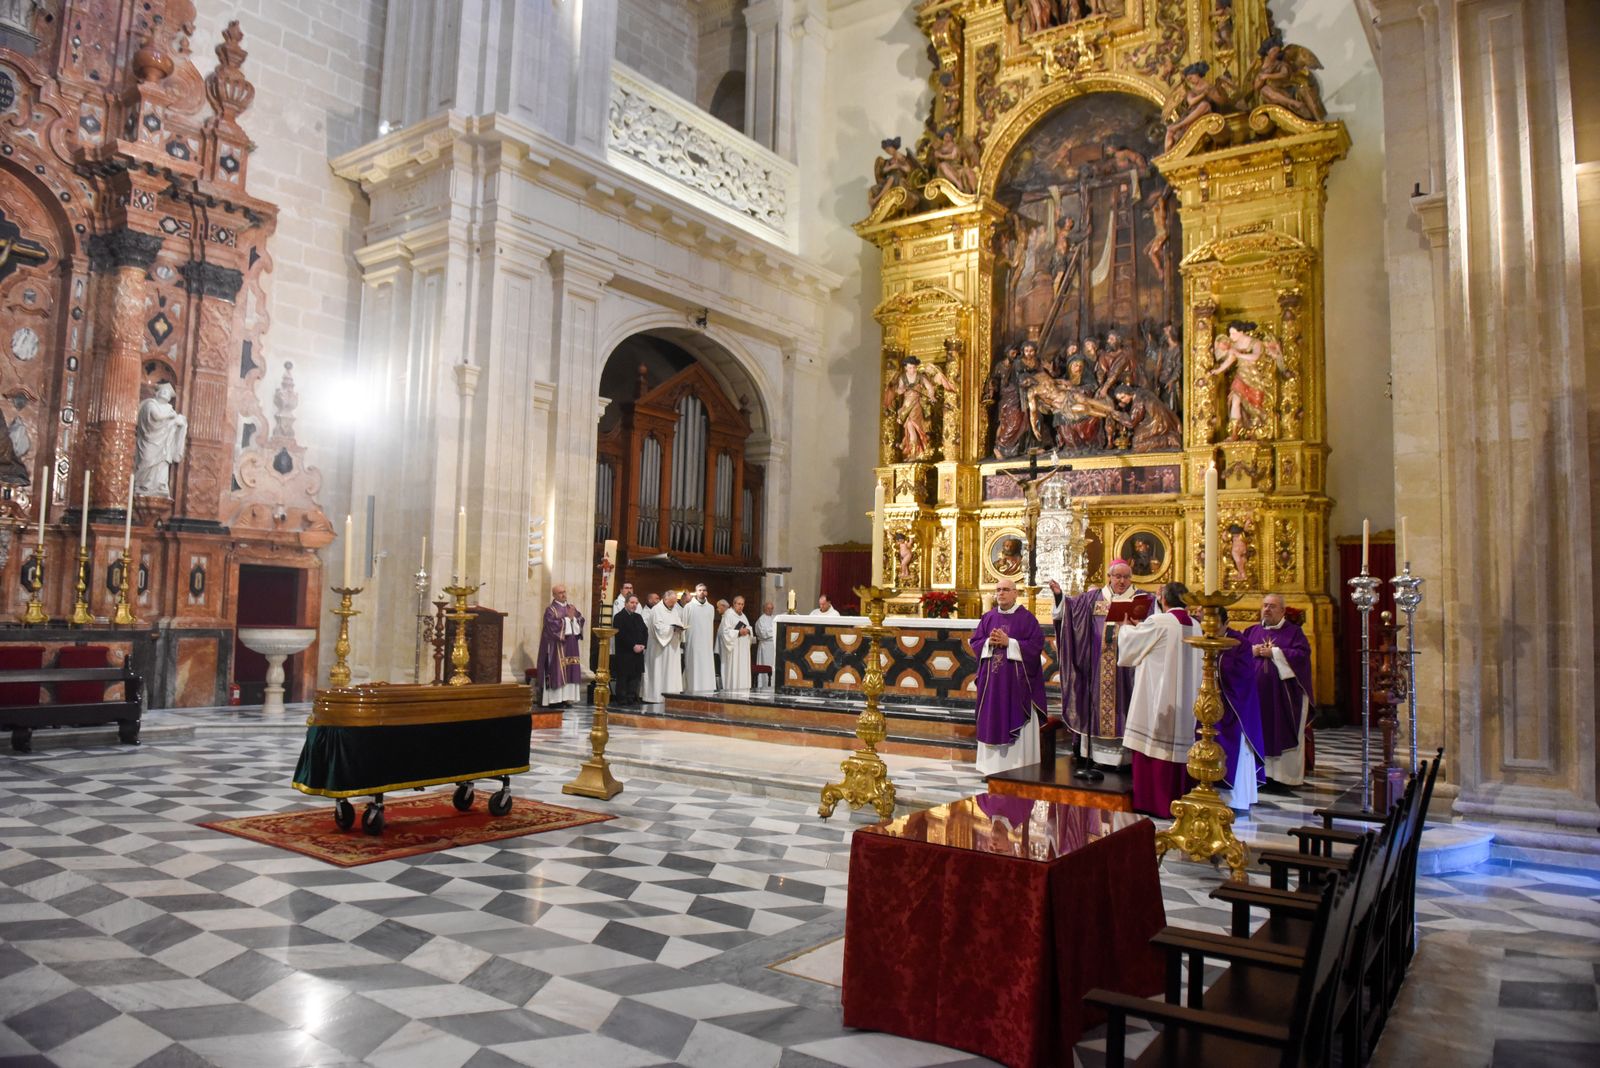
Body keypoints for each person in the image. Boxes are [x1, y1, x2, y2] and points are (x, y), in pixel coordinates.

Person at [1051, 559, 1156, 770]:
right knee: (1097, 706)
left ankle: (1125, 760)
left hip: (1129, 669)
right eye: (1118, 576)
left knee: (1126, 707)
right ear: (1109, 577)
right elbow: (1070, 610)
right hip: (1097, 667)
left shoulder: (1144, 600)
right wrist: (1059, 596)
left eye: (1126, 577)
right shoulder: (1093, 598)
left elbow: (1155, 626)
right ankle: (1098, 757)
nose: (1122, 581)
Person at [1117, 582, 1201, 816]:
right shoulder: (1195, 625)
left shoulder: (1159, 621)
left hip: (1158, 695)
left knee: (1153, 743)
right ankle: (1180, 799)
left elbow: (1131, 647)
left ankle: (1155, 802)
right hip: (1187, 699)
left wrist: (1125, 628)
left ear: (1163, 598)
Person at [1225, 593, 1312, 792]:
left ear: (1282, 611)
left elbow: (1301, 657)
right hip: (1255, 698)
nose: (1267, 609)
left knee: (1279, 731)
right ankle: (1258, 774)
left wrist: (1274, 653)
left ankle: (1282, 778)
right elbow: (1237, 654)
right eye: (1264, 605)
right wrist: (1251, 651)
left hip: (1282, 698)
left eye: (1272, 606)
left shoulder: (1294, 633)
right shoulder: (1251, 631)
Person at [969, 578, 1049, 775]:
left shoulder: (1027, 618)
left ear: (1015, 593)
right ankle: (991, 769)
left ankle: (1017, 769)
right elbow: (976, 642)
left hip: (1016, 686)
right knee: (992, 718)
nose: (1001, 593)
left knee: (1014, 716)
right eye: (998, 590)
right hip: (992, 685)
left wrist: (1010, 643)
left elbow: (1036, 646)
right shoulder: (988, 618)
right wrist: (989, 642)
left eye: (1006, 590)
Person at [134, 382, 189, 497]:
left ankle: (160, 486)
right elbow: (155, 417)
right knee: (147, 460)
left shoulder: (170, 409)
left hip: (164, 444)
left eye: (168, 393)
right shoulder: (150, 404)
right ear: (157, 393)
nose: (165, 394)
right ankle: (142, 485)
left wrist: (180, 424)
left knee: (162, 463)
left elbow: (174, 425)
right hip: (149, 440)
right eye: (163, 391)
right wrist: (171, 418)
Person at [538, 585, 585, 706]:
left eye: (564, 592)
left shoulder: (571, 607)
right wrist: (568, 620)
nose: (563, 594)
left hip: (571, 645)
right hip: (557, 647)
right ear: (554, 595)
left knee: (570, 669)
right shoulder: (551, 610)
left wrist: (574, 619)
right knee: (558, 671)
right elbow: (552, 626)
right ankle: (556, 699)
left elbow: (581, 620)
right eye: (560, 593)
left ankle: (567, 698)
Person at [643, 589, 686, 702]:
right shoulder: (657, 610)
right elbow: (659, 628)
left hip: (672, 647)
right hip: (659, 648)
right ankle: (656, 696)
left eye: (674, 602)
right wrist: (672, 629)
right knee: (659, 671)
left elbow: (678, 622)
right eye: (671, 602)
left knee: (671, 672)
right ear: (665, 599)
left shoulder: (674, 610)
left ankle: (671, 696)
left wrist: (680, 628)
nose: (672, 605)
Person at [612, 594, 648, 704]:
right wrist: (633, 646)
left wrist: (643, 645)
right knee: (623, 677)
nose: (634, 605)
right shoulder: (619, 617)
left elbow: (645, 632)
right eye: (632, 603)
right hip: (625, 653)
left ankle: (631, 698)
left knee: (635, 677)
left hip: (638, 653)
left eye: (636, 603)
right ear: (626, 603)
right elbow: (621, 635)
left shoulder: (638, 617)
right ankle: (622, 699)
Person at [682, 584, 717, 692]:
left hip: (706, 643)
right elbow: (684, 624)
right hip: (693, 643)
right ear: (696, 592)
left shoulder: (711, 608)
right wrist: (683, 641)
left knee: (706, 666)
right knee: (694, 667)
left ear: (707, 592)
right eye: (699, 590)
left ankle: (707, 689)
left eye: (704, 590)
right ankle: (692, 689)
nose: (702, 592)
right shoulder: (689, 607)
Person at [719, 596, 753, 690]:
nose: (740, 606)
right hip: (734, 650)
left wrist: (748, 631)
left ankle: (744, 689)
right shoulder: (728, 614)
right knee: (735, 671)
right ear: (734, 604)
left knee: (742, 670)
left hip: (743, 650)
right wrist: (738, 632)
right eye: (738, 604)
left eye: (742, 604)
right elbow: (725, 632)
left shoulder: (743, 616)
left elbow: (749, 627)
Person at [753, 601, 777, 688]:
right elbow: (764, 634)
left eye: (771, 608)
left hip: (773, 646)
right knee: (765, 666)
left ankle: (773, 685)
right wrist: (774, 631)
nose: (770, 610)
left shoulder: (775, 619)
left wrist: (772, 631)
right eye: (768, 608)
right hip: (765, 647)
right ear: (764, 609)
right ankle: (763, 686)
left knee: (773, 667)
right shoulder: (761, 620)